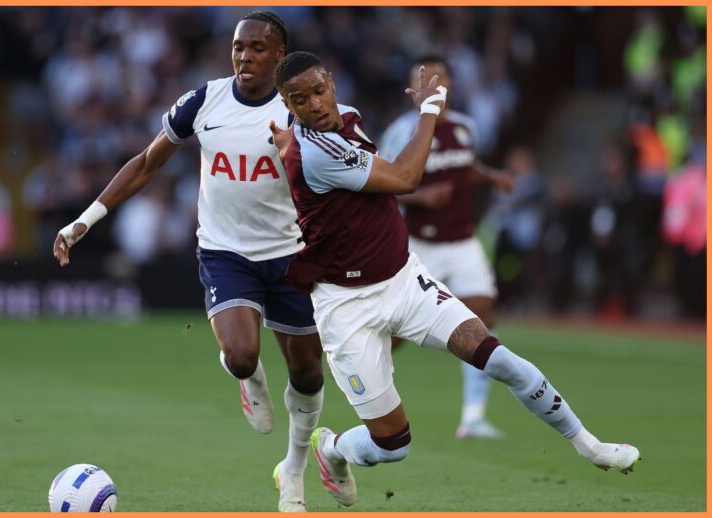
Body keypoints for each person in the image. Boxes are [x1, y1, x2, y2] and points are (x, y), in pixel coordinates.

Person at [269, 51, 640, 507]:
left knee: (497, 356)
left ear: (333, 84)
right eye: (299, 100)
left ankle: (590, 444)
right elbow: (404, 178)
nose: (315, 105)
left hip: (404, 279)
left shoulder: (346, 117)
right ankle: (333, 449)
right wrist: (429, 109)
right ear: (288, 105)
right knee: (393, 444)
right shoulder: (313, 151)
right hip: (346, 307)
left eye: (319, 91)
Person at [54, 12, 324, 512]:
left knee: (308, 374)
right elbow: (147, 163)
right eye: (239, 47)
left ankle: (294, 470)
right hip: (226, 252)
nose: (245, 56)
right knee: (242, 354)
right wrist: (85, 220)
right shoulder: (204, 101)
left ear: (280, 56)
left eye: (258, 48)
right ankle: (249, 380)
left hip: (291, 253)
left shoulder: (299, 112)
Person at [379, 55, 514, 439]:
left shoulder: (465, 127)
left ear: (451, 83)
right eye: (420, 80)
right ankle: (361, 378)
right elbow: (382, 182)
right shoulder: (402, 131)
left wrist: (492, 177)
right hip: (420, 244)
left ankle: (472, 417)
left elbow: (464, 166)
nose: (431, 85)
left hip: (463, 240)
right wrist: (423, 197)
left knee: (482, 316)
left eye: (437, 78)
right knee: (398, 334)